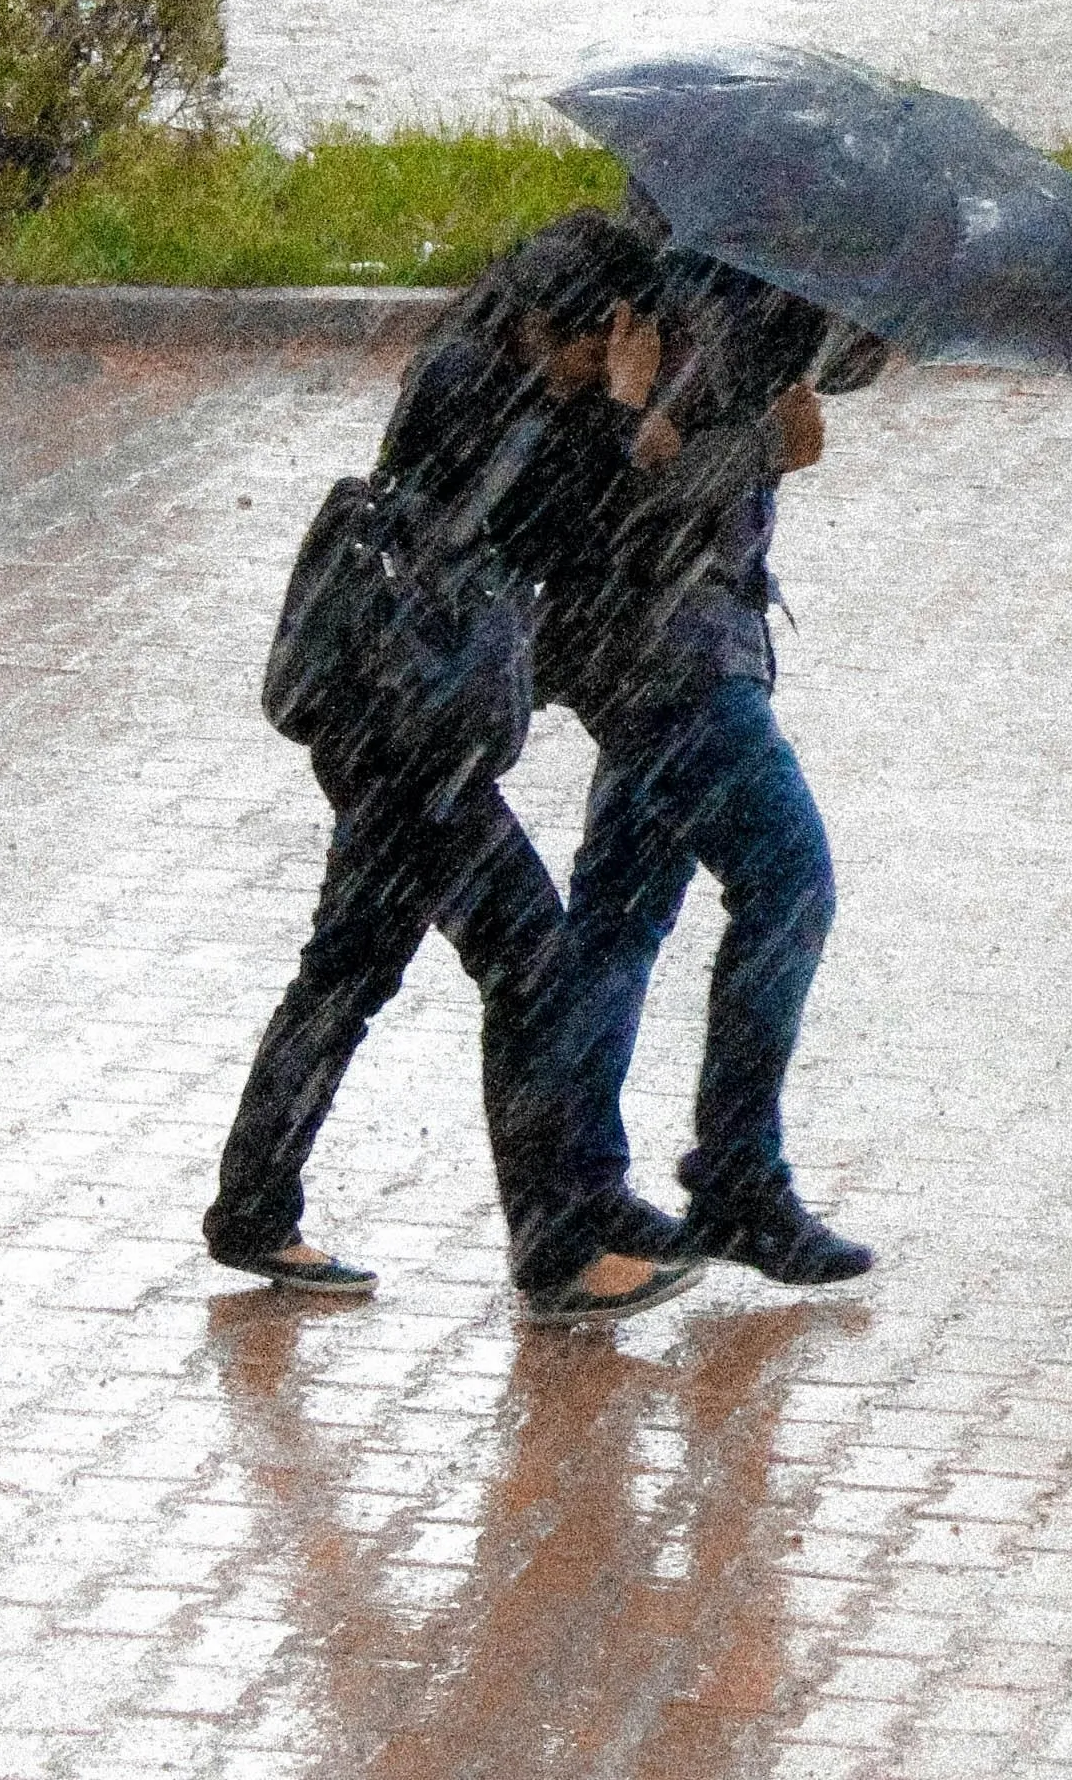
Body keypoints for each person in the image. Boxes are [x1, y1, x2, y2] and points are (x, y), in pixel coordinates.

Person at [205, 211, 693, 1321]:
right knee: (531, 960)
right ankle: (558, 1246)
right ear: (592, 323)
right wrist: (621, 418)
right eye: (619, 339)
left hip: (385, 722)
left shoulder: (484, 363)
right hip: (411, 737)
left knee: (351, 965)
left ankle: (252, 1203)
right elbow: (565, 531)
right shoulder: (488, 387)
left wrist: (613, 423)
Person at [507, 255, 885, 1296]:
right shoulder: (703, 289)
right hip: (675, 656)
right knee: (790, 883)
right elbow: (637, 489)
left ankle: (578, 1188)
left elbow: (837, 362)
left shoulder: (752, 267)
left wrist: (876, 310)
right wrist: (768, 445)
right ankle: (735, 1175)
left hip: (656, 650)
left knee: (619, 918)